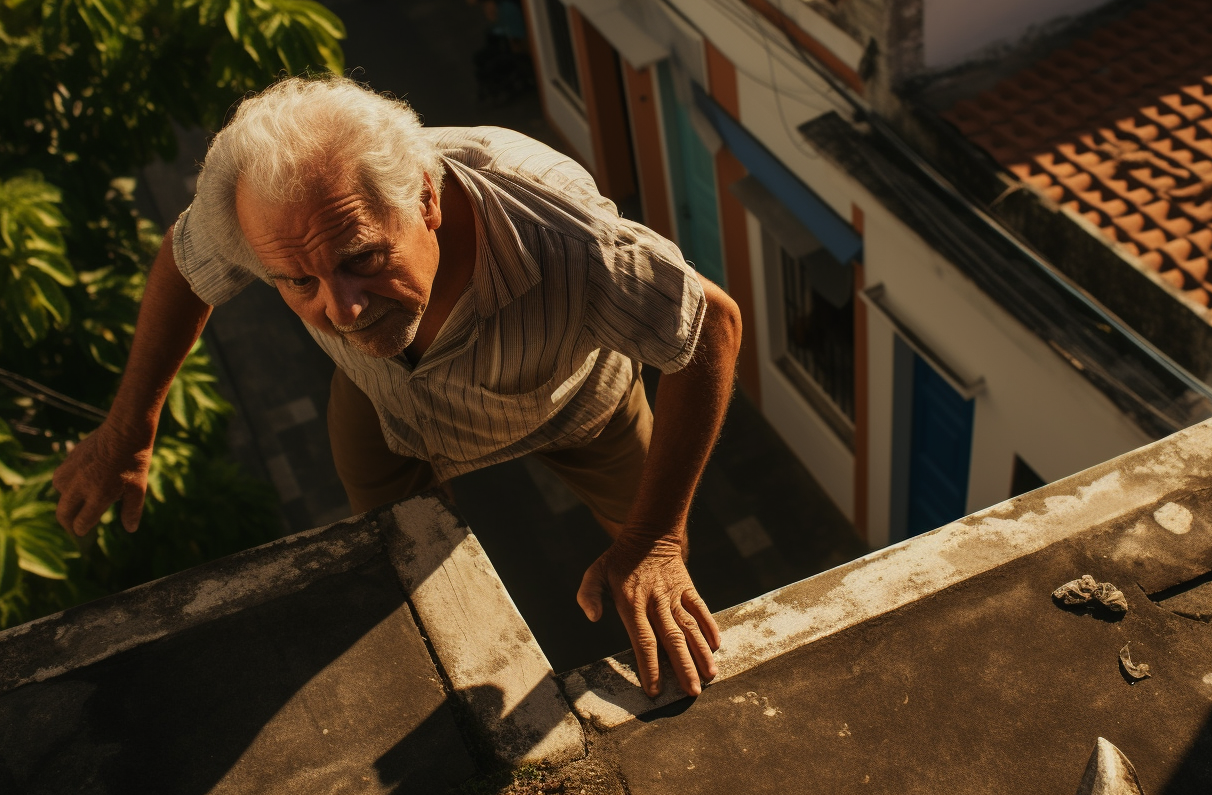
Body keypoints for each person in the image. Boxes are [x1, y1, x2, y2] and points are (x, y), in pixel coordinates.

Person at [51, 76, 741, 699]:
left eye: (362, 259)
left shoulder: (569, 240)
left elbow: (710, 323)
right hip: (388, 410)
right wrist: (130, 423)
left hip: (577, 403)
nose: (342, 310)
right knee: (398, 570)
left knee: (653, 545)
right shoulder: (262, 213)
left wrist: (653, 538)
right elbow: (182, 260)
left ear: (428, 201)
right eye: (299, 281)